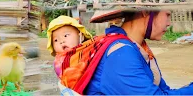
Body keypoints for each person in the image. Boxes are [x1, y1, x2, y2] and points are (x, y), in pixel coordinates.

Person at [51, 9, 193, 95]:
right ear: (146, 11)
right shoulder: (120, 53)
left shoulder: (139, 49)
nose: (169, 22)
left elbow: (164, 91)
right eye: (167, 15)